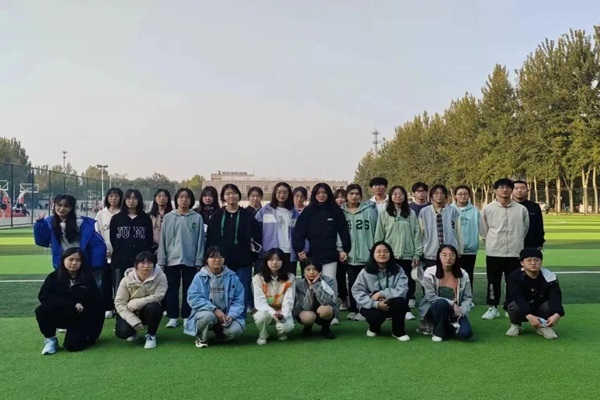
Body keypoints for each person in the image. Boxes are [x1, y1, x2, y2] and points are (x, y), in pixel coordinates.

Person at [292, 183, 351, 325]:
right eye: (318, 193)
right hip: (312, 256)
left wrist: (344, 249)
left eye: (324, 192)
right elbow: (299, 231)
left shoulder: (335, 210)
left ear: (328, 194)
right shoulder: (308, 211)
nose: (321, 195)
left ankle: (332, 314)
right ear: (314, 194)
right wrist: (299, 249)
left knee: (330, 283)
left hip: (330, 254)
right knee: (310, 284)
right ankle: (311, 310)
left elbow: (343, 230)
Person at [35, 247, 104, 354]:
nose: (74, 263)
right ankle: (50, 339)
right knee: (42, 310)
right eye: (71, 259)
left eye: (78, 260)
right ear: (63, 260)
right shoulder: (54, 277)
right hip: (60, 314)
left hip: (80, 317)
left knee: (73, 346)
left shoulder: (87, 278)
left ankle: (79, 335)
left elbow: (97, 303)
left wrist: (93, 334)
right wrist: (72, 304)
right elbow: (44, 297)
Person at [206, 184, 261, 314]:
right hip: (222, 260)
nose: (231, 196)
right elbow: (211, 238)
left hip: (243, 259)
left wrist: (253, 256)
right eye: (228, 193)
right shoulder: (217, 215)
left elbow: (257, 236)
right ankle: (224, 315)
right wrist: (210, 258)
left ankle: (240, 316)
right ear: (223, 197)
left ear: (238, 195)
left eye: (234, 193)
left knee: (241, 287)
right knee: (223, 288)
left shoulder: (247, 215)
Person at [480, 178, 529, 320]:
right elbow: (484, 231)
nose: (504, 190)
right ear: (495, 190)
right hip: (494, 252)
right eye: (501, 187)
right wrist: (492, 243)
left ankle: (510, 306)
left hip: (515, 252)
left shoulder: (521, 209)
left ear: (511, 190)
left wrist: (516, 241)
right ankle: (492, 307)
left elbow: (524, 229)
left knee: (512, 281)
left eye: (508, 187)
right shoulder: (488, 209)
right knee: (493, 280)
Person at [157, 188, 206, 328]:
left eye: (187, 197)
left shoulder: (197, 217)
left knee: (189, 289)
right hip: (171, 260)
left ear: (191, 200)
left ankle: (187, 315)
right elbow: (163, 239)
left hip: (191, 260)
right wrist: (162, 260)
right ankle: (173, 317)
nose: (184, 200)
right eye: (181, 197)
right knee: (171, 289)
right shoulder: (168, 217)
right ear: (176, 199)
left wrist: (199, 259)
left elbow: (200, 240)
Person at [34, 194, 107, 285]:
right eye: (59, 205)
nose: (62, 209)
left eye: (66, 206)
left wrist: (96, 264)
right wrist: (40, 224)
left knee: (88, 289)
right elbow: (42, 242)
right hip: (63, 262)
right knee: (65, 289)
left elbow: (97, 244)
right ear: (54, 205)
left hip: (82, 262)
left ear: (72, 208)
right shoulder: (49, 222)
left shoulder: (81, 223)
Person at [374, 185, 422, 319]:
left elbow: (417, 234)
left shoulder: (411, 213)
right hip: (390, 255)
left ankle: (405, 310)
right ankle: (389, 310)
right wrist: (378, 253)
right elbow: (379, 234)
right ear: (390, 196)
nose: (398, 196)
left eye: (401, 193)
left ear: (405, 196)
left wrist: (417, 253)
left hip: (407, 254)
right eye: (395, 194)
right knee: (389, 283)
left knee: (407, 283)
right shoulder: (385, 213)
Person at [183, 246, 245, 348]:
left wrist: (231, 315)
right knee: (208, 317)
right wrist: (214, 309)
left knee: (235, 330)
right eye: (213, 257)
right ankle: (202, 338)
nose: (217, 260)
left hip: (226, 315)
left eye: (220, 257)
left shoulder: (233, 277)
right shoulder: (199, 277)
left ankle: (220, 336)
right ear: (206, 259)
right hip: (206, 313)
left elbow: (238, 301)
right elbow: (193, 298)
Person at [351, 241, 411, 341]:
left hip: (391, 302)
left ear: (390, 254)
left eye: (385, 251)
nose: (382, 254)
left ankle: (398, 332)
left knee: (401, 303)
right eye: (378, 251)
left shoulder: (398, 270)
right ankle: (374, 328)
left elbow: (403, 289)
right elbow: (357, 291)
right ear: (373, 254)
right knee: (376, 316)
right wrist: (376, 304)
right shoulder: (365, 272)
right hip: (371, 303)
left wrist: (381, 294)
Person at [505, 248, 564, 339]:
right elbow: (518, 297)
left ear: (541, 262)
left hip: (540, 306)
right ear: (522, 263)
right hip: (522, 308)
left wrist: (557, 314)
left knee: (549, 304)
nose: (533, 263)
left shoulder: (550, 276)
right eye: (529, 260)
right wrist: (529, 315)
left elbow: (555, 296)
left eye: (537, 260)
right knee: (513, 305)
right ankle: (516, 324)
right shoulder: (514, 277)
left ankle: (543, 326)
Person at [418, 245, 474, 342]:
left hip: (456, 311)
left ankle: (445, 327)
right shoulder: (430, 272)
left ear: (456, 257)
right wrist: (452, 304)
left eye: (452, 255)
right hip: (434, 308)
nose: (448, 258)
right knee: (442, 303)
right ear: (439, 256)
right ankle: (438, 332)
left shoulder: (463, 274)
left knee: (466, 333)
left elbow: (467, 297)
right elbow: (431, 297)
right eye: (444, 255)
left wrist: (462, 310)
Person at [114, 251, 167, 349]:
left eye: (150, 263)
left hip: (148, 310)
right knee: (123, 332)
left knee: (155, 307)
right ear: (136, 265)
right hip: (130, 311)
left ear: (154, 265)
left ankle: (151, 335)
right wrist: (133, 320)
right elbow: (119, 303)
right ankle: (133, 332)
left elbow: (159, 295)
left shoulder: (161, 277)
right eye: (142, 263)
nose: (146, 266)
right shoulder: (126, 279)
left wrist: (137, 303)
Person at [341, 184, 378, 321]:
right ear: (346, 195)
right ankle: (353, 308)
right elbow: (338, 233)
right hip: (350, 255)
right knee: (352, 283)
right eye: (351, 193)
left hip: (367, 254)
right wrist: (341, 249)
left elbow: (376, 230)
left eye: (357, 194)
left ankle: (366, 309)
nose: (354, 196)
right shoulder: (341, 212)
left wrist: (374, 249)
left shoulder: (369, 210)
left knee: (368, 283)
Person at [109, 189, 154, 298]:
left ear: (139, 200)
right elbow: (113, 239)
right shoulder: (116, 219)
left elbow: (149, 238)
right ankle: (120, 307)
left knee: (140, 289)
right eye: (128, 198)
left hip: (140, 261)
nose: (131, 201)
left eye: (134, 198)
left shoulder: (145, 218)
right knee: (121, 289)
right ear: (124, 200)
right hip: (121, 259)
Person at [255, 182, 301, 276]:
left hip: (288, 252)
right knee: (267, 280)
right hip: (270, 252)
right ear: (274, 193)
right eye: (279, 192)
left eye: (285, 192)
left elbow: (300, 233)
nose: (282, 195)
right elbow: (255, 231)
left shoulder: (294, 212)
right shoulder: (264, 211)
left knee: (288, 280)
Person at [252, 248, 296, 345]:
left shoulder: (290, 277)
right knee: (260, 318)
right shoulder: (258, 278)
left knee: (287, 326)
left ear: (283, 261)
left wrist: (283, 314)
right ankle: (263, 335)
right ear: (266, 262)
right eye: (271, 259)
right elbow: (260, 302)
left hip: (282, 310)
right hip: (265, 310)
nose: (275, 262)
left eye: (278, 259)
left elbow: (289, 300)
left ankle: (281, 332)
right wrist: (273, 313)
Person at [95, 187, 123, 319]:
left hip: (120, 254)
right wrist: (103, 250)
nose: (113, 198)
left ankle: (119, 307)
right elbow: (97, 233)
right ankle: (108, 307)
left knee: (120, 282)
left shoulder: (123, 214)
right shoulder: (101, 214)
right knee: (105, 281)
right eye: (111, 196)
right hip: (104, 254)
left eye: (116, 196)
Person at [418, 184, 462, 267]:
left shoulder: (453, 211)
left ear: (446, 196)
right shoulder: (424, 212)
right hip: (430, 253)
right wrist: (418, 252)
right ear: (431, 196)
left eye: (442, 193)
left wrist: (460, 250)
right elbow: (419, 233)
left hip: (450, 254)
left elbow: (459, 232)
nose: (439, 195)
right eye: (436, 193)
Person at [292, 260, 337, 339]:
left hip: (323, 308)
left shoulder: (329, 281)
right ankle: (307, 327)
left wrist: (315, 285)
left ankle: (326, 328)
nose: (312, 272)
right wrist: (310, 289)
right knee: (308, 316)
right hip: (307, 311)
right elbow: (305, 307)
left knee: (325, 309)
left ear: (320, 271)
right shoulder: (299, 284)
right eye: (308, 269)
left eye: (315, 269)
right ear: (303, 271)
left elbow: (326, 301)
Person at [450, 185, 480, 288]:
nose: (463, 196)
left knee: (468, 275)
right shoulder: (449, 210)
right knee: (453, 275)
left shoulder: (475, 210)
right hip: (453, 250)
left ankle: (468, 295)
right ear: (455, 196)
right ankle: (454, 295)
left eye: (466, 194)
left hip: (470, 250)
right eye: (460, 194)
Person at [512, 180, 545, 249]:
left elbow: (539, 225)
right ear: (511, 191)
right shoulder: (507, 206)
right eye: (516, 188)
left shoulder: (534, 206)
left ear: (527, 191)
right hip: (511, 244)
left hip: (531, 244)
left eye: (522, 188)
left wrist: (540, 242)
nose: (519, 190)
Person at [333, 187, 349, 312]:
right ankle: (343, 298)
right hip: (338, 249)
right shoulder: (332, 212)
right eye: (337, 197)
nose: (340, 199)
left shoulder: (350, 211)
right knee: (340, 275)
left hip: (353, 247)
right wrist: (340, 249)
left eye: (342, 197)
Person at [148, 189, 173, 253]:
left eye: (164, 196)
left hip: (169, 247)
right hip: (153, 247)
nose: (162, 198)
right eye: (159, 196)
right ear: (155, 198)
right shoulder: (149, 215)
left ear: (168, 198)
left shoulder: (173, 215)